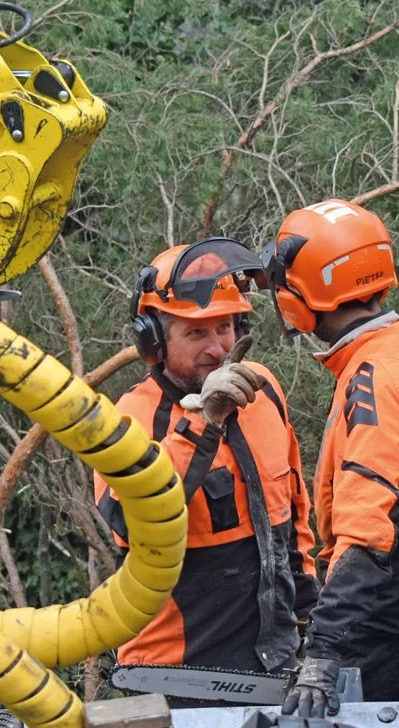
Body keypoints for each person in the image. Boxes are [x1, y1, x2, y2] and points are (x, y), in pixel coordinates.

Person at [256, 200, 399, 717]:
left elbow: (365, 534)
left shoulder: (374, 381)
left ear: (305, 295)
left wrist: (325, 648)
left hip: (396, 612)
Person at [94, 238, 320, 677]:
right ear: (155, 341)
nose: (217, 348)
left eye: (224, 327)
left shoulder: (263, 389)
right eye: (197, 333)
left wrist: (310, 612)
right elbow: (130, 519)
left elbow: (293, 516)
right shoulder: (128, 420)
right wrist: (205, 422)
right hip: (175, 670)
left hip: (273, 660)